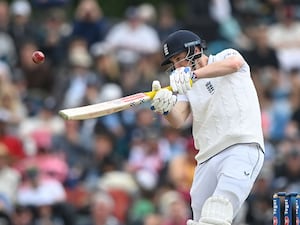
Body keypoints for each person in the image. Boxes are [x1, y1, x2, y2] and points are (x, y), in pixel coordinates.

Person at [150, 30, 265, 225]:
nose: (177, 66)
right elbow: (178, 120)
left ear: (195, 49)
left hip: (241, 148)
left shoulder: (226, 56)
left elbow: (234, 65)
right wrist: (166, 108)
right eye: (173, 63)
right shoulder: (188, 86)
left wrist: (193, 75)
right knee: (200, 220)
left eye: (179, 58)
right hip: (206, 159)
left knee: (216, 214)